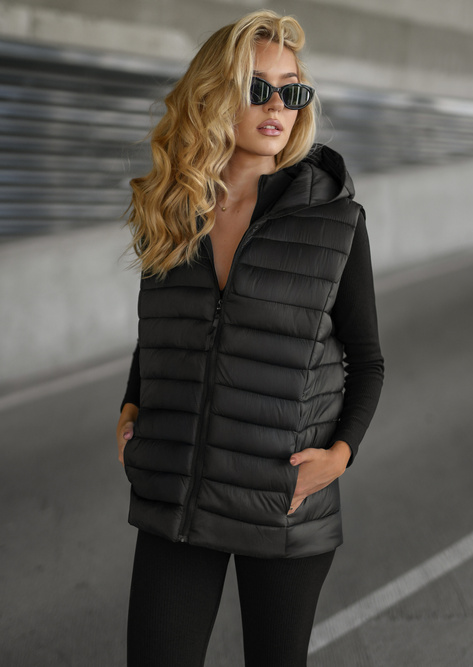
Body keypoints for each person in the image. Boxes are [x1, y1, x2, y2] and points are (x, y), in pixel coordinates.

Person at [116, 10, 384, 667]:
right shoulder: (172, 210)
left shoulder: (335, 221)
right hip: (178, 493)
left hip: (281, 501)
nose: (277, 107)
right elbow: (167, 330)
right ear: (214, 95)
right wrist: (131, 405)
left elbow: (367, 358)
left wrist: (340, 455)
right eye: (257, 88)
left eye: (292, 91)